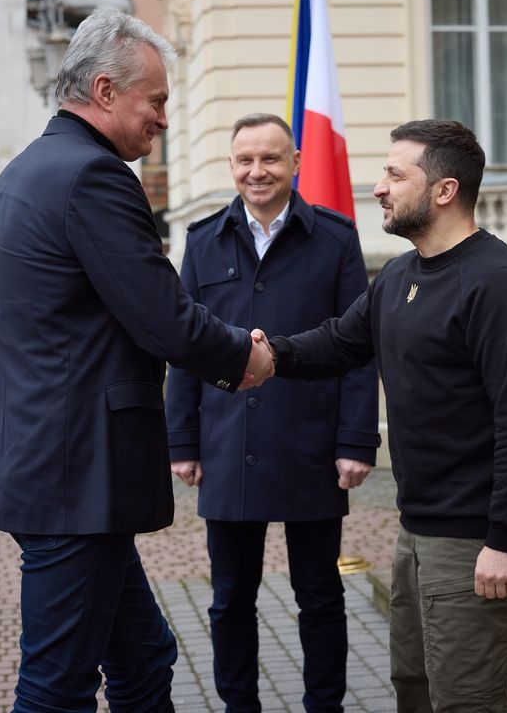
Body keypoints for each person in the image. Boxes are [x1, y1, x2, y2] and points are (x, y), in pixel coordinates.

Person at [0, 8, 274, 713]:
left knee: (144, 659)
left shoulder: (28, 170)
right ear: (104, 91)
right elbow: (162, 316)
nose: (163, 117)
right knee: (56, 687)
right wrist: (246, 358)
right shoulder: (92, 176)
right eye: (155, 100)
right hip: (73, 476)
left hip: (50, 467)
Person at [257, 119, 507, 712]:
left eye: (395, 173)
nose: (379, 188)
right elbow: (340, 343)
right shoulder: (399, 275)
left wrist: (503, 539)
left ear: (444, 191)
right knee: (413, 688)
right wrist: (263, 356)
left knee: (464, 700)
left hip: (471, 537)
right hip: (417, 527)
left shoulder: (498, 285)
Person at [165, 113, 381, 713]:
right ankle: (239, 707)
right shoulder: (202, 241)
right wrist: (181, 442)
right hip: (230, 445)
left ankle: (325, 706)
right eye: (245, 160)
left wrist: (357, 440)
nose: (257, 171)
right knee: (230, 598)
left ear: (295, 164)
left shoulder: (336, 239)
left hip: (310, 444)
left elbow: (360, 349)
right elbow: (183, 348)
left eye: (270, 159)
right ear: (231, 166)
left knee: (320, 593)